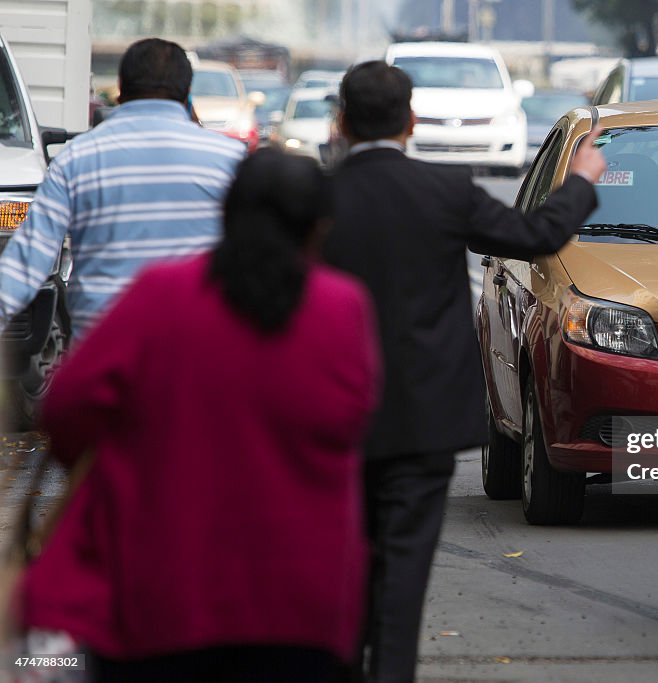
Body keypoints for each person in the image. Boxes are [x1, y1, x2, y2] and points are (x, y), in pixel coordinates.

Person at [17, 149, 380, 683]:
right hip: (304, 597)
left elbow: (69, 403)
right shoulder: (342, 308)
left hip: (162, 588)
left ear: (227, 213)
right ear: (318, 229)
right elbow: (354, 418)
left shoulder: (161, 294)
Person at [323, 60, 607, 683]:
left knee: (340, 575)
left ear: (341, 121)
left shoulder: (316, 199)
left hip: (334, 423)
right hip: (425, 424)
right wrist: (581, 180)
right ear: (412, 123)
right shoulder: (446, 192)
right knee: (403, 581)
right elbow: (537, 234)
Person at [0, 38, 244, 339]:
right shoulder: (232, 161)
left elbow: (24, 264)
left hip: (103, 353)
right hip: (196, 352)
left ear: (120, 90)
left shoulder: (76, 159)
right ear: (187, 93)